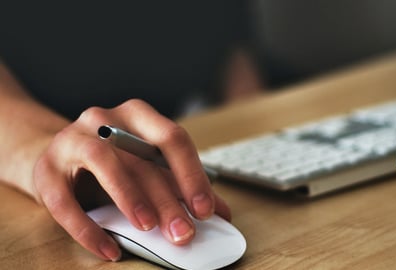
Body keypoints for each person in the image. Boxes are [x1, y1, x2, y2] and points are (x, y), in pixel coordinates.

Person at [0, 1, 261, 262]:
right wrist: (42, 149)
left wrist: (256, 147)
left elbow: (234, 50)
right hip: (51, 129)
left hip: (180, 145)